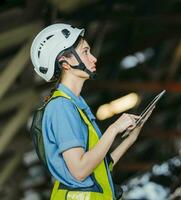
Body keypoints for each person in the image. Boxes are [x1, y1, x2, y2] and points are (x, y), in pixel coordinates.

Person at [30, 23, 153, 200]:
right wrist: (113, 129)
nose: (93, 58)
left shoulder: (75, 105)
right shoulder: (61, 107)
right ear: (65, 62)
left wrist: (131, 138)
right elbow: (80, 171)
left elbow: (99, 166)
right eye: (85, 52)